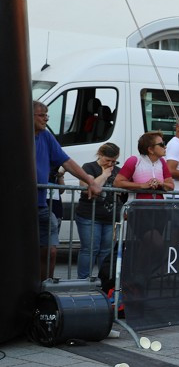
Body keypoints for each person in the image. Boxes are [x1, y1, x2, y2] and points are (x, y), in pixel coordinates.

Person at [33, 101, 103, 280]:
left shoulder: (46, 137)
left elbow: (66, 161)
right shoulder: (17, 135)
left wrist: (89, 180)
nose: (46, 118)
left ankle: (44, 291)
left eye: (47, 114)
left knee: (51, 251)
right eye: (42, 115)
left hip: (41, 205)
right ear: (28, 116)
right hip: (20, 205)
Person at [74, 142, 120, 280]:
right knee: (89, 249)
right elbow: (88, 186)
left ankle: (103, 280)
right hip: (89, 215)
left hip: (111, 217)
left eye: (114, 161)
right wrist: (105, 175)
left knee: (106, 251)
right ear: (100, 155)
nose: (111, 164)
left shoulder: (118, 170)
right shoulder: (89, 167)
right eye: (108, 160)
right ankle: (83, 281)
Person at [115, 131, 174, 200]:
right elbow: (117, 183)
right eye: (161, 144)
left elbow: (171, 186)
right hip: (137, 207)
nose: (165, 147)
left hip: (159, 207)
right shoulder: (134, 160)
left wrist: (160, 184)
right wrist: (142, 185)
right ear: (150, 149)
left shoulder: (162, 162)